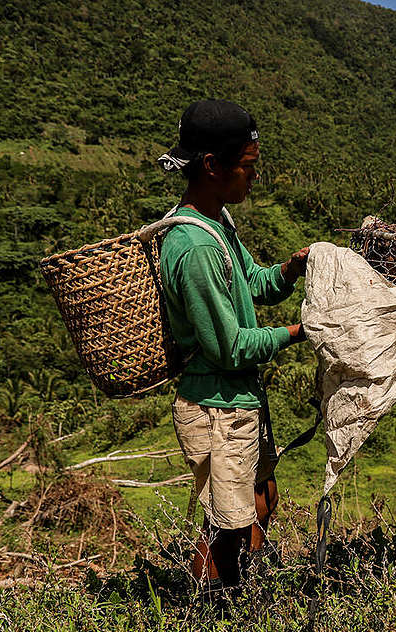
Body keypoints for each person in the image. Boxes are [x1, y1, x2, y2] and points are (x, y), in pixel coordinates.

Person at [157, 99, 309, 589]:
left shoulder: (218, 223)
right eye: (247, 168)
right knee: (227, 528)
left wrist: (289, 270)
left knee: (262, 501)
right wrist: (298, 333)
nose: (252, 178)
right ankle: (208, 623)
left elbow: (256, 284)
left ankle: (243, 598)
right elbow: (230, 347)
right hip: (218, 406)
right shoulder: (195, 246)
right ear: (211, 166)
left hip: (240, 399)